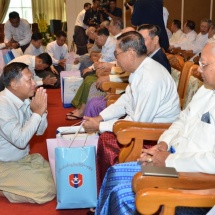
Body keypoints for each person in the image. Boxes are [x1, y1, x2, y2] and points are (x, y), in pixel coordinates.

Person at [95, 40, 215, 215]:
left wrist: (168, 160)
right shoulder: (206, 89)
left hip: (192, 178)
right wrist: (164, 144)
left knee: (123, 193)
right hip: (174, 160)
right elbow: (182, 120)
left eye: (203, 64)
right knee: (115, 173)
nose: (198, 69)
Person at [82, 31, 180, 192]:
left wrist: (100, 126)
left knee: (107, 142)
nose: (116, 59)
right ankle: (105, 192)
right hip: (144, 125)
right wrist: (100, 118)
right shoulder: (140, 70)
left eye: (117, 54)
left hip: (156, 134)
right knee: (105, 136)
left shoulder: (150, 77)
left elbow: (138, 123)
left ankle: (114, 191)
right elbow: (126, 100)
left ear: (131, 53)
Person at [84, 24, 171, 118]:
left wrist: (102, 123)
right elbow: (130, 91)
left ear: (155, 40)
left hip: (144, 121)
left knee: (95, 105)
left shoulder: (157, 64)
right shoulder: (146, 59)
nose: (139, 45)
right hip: (131, 103)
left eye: (143, 40)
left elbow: (141, 117)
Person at [0, 62, 56, 204]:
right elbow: (20, 141)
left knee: (58, 174)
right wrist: (37, 113)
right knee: (46, 190)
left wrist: (41, 112)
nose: (34, 84)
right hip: (3, 164)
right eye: (29, 80)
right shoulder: (2, 105)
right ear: (14, 84)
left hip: (21, 159)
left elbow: (40, 132)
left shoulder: (23, 99)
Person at [66, 26, 116, 120]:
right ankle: (81, 108)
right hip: (105, 70)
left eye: (96, 38)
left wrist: (93, 66)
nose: (95, 41)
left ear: (102, 36)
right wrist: (92, 67)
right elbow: (101, 60)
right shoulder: (107, 43)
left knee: (89, 81)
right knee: (88, 77)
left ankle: (82, 110)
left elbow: (103, 61)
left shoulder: (112, 44)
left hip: (109, 72)